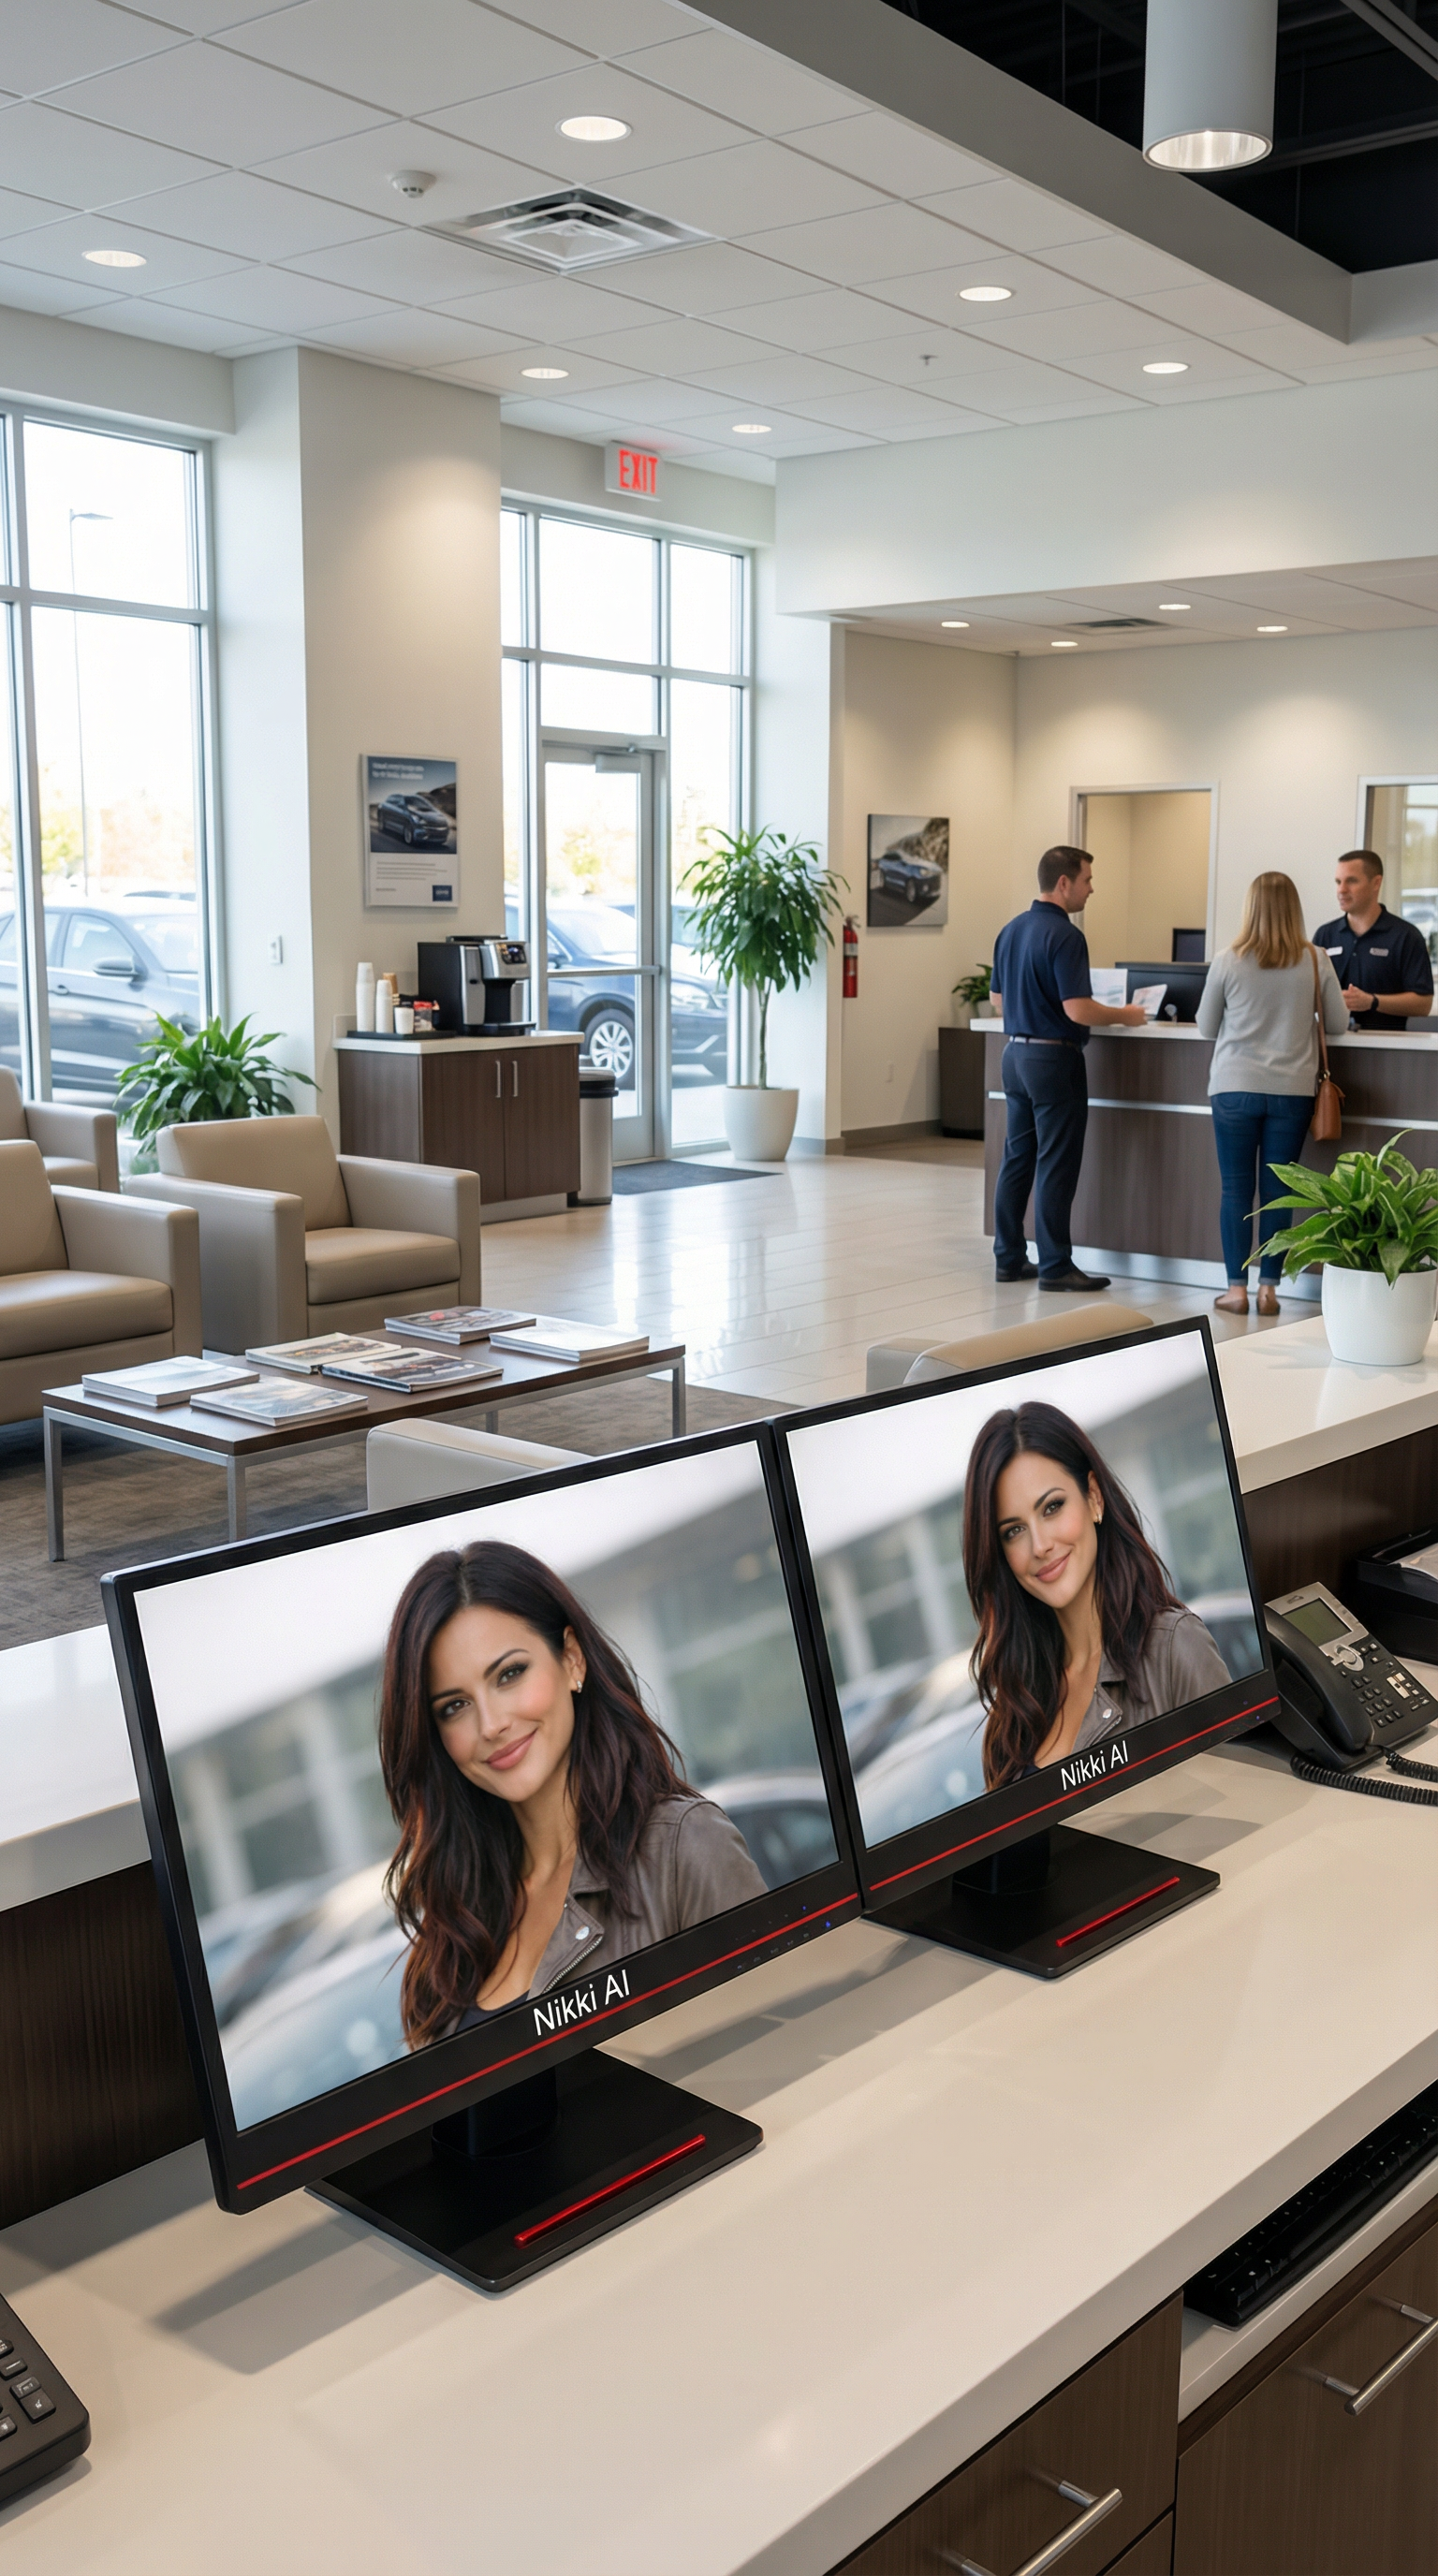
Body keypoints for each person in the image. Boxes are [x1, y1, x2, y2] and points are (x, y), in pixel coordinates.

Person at [378, 1538, 765, 2047]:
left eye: (510, 1674)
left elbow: (780, 2058)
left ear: (573, 1661)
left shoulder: (682, 1850)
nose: (492, 1724)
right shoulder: (448, 1945)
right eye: (454, 1706)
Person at [962, 1398, 1231, 1790]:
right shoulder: (1012, 1717)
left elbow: (1246, 1808)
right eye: (1014, 1531)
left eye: (1052, 1507)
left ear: (1093, 1498)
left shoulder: (1175, 1649)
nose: (1040, 1545)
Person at [990, 846, 1148, 1292]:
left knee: (1017, 1159)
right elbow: (1077, 1009)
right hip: (1053, 1060)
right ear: (1064, 883)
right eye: (1087, 880)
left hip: (1015, 1057)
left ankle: (1008, 1258)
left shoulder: (1011, 930)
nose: (1091, 888)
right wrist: (1126, 1015)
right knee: (1056, 1162)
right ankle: (1055, 1265)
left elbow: (998, 1002)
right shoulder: (1065, 936)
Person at [1196, 871, 1348, 1318]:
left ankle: (1235, 1291)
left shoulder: (1228, 959)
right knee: (1280, 1191)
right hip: (1291, 1092)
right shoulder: (1315, 958)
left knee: (1236, 1191)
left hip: (1234, 1088)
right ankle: (1268, 1290)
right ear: (1295, 909)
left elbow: (1206, 1027)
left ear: (1250, 907)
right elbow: (1337, 1025)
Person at [1313, 849, 1433, 1032]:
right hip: (1331, 1047)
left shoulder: (1406, 936)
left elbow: (1423, 1004)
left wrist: (1372, 1001)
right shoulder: (1325, 935)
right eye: (1338, 882)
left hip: (1385, 1050)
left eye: (1351, 881)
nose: (1341, 890)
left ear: (1376, 883)